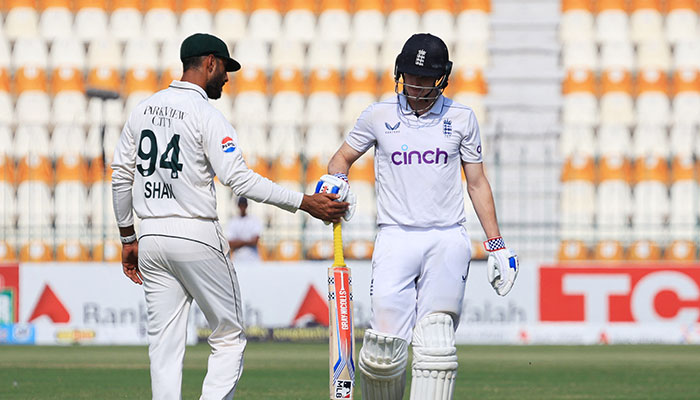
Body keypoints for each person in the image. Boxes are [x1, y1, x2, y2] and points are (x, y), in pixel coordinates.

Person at [111, 33, 348, 400]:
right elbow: (239, 179)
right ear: (210, 63)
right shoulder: (207, 114)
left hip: (151, 237)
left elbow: (120, 177)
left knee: (163, 345)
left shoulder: (142, 110)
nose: (226, 77)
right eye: (224, 68)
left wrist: (128, 239)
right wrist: (304, 202)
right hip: (195, 233)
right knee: (229, 336)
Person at [317, 33, 519, 400]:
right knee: (382, 351)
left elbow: (477, 183)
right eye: (411, 75)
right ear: (399, 72)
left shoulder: (461, 118)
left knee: (436, 346)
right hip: (395, 236)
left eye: (426, 78)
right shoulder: (379, 115)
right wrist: (338, 182)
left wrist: (497, 245)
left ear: (442, 77)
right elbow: (340, 159)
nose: (417, 85)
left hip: (447, 237)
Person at [226, 197, 262, 263]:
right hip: (238, 260)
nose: (242, 207)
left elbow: (255, 241)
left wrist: (239, 242)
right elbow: (230, 243)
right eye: (241, 205)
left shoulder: (254, 220)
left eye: (244, 205)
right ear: (238, 206)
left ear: (247, 205)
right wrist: (248, 241)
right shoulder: (233, 221)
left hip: (253, 259)